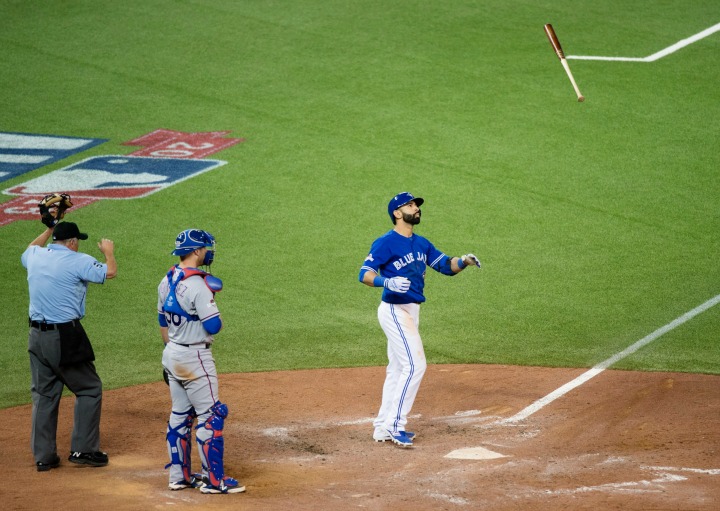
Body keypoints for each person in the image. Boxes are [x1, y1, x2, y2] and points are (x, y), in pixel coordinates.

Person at [358, 192, 481, 447]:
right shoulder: (385, 243)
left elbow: (446, 266)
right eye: (411, 205)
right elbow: (365, 274)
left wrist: (464, 261)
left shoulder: (421, 243)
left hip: (412, 311)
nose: (417, 209)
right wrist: (386, 281)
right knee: (415, 365)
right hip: (394, 310)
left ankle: (382, 426)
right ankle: (395, 426)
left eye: (416, 206)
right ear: (396, 213)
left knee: (397, 368)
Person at [21, 221, 117, 471]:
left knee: (44, 394)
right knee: (89, 388)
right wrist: (108, 252)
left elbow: (30, 247)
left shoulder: (35, 255)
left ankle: (44, 457)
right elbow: (109, 272)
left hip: (35, 336)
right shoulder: (79, 260)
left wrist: (48, 229)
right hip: (64, 336)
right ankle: (84, 449)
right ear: (73, 242)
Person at [158, 229, 245, 494]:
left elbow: (162, 322)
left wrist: (173, 352)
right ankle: (213, 480)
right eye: (206, 247)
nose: (209, 251)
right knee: (211, 416)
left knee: (180, 415)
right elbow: (215, 325)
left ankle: (179, 476)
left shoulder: (167, 279)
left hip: (172, 353)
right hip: (195, 357)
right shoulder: (198, 285)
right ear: (196, 251)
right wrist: (210, 300)